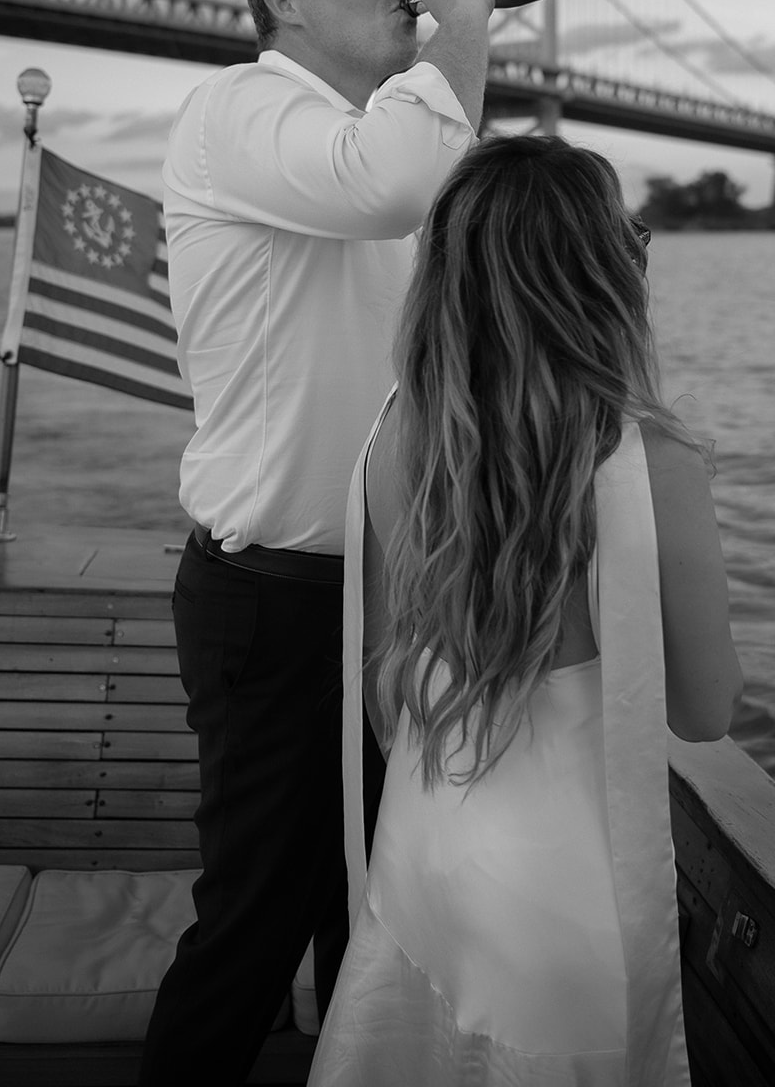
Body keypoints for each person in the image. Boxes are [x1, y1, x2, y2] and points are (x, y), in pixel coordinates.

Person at [138, 0, 493, 1087]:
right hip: (278, 597)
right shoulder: (235, 111)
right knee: (256, 917)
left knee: (376, 917)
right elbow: (388, 186)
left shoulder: (377, 141)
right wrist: (468, 14)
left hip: (399, 593)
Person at [309, 134, 744, 1086]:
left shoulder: (395, 442)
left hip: (426, 860)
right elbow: (704, 712)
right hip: (563, 903)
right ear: (604, 276)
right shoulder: (653, 469)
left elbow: (384, 691)